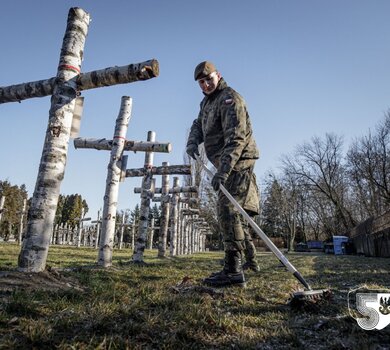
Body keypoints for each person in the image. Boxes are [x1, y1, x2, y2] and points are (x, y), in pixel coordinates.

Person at [186, 61, 261, 287]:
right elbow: (198, 124)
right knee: (230, 213)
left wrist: (224, 171)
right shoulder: (207, 103)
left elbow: (237, 138)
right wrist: (192, 141)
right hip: (225, 163)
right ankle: (236, 266)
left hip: (237, 162)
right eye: (202, 82)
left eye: (209, 79)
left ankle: (233, 271)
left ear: (218, 75)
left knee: (228, 211)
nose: (206, 84)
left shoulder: (229, 99)